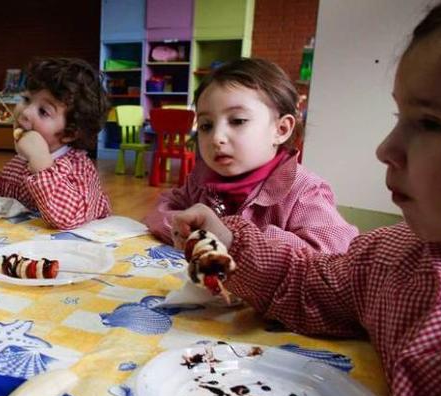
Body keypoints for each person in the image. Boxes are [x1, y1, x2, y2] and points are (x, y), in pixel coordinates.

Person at [170, 1, 441, 396]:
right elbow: (314, 281)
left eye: (432, 123)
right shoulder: (395, 260)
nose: (385, 147)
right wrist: (232, 240)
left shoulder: (305, 190)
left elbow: (326, 246)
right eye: (400, 116)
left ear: (282, 129)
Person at [145, 58, 357, 252]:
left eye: (237, 121)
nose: (216, 137)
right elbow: (158, 212)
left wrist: (231, 237)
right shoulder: (201, 181)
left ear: (281, 130)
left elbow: (333, 255)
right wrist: (186, 228)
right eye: (206, 125)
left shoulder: (304, 191)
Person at [0, 57, 111, 230]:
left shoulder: (79, 169)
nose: (25, 112)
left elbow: (69, 219)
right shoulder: (16, 163)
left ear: (69, 133)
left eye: (43, 111)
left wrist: (40, 161)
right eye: (26, 99)